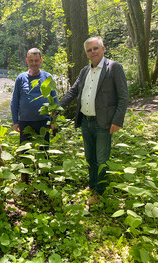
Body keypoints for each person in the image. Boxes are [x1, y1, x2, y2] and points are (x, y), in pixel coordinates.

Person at [58, 36, 128, 206]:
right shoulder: (84, 71)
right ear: (86, 53)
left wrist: (117, 120)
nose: (93, 52)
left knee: (101, 159)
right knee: (90, 157)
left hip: (103, 122)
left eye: (96, 48)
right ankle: (92, 185)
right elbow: (73, 92)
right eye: (89, 50)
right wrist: (56, 108)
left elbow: (123, 96)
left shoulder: (114, 68)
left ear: (103, 48)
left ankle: (99, 192)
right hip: (86, 121)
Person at [10, 48, 58, 182]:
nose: (34, 63)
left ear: (41, 60)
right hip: (25, 121)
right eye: (31, 61)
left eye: (36, 60)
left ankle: (44, 177)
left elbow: (54, 100)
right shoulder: (21, 78)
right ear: (27, 61)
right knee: (25, 151)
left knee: (44, 149)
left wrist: (54, 120)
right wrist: (15, 120)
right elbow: (14, 101)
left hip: (44, 121)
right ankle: (25, 177)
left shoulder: (47, 77)